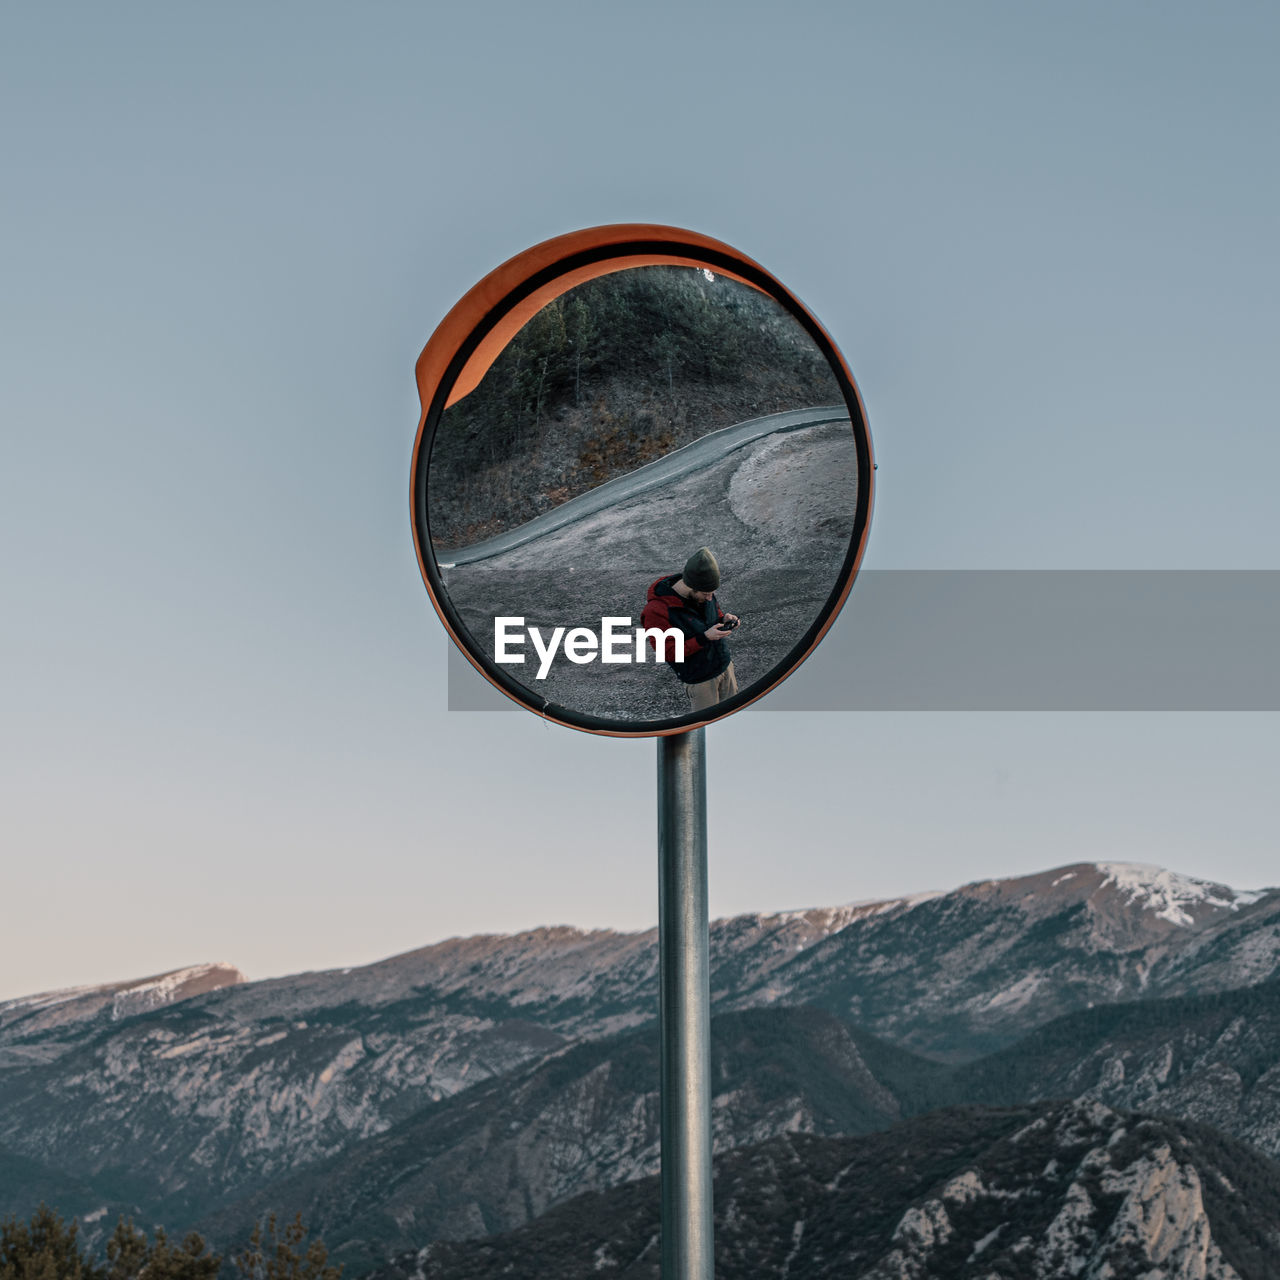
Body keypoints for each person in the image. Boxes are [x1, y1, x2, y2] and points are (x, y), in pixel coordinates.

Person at [641, 546, 740, 710]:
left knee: (734, 718)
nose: (710, 598)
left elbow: (713, 611)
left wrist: (724, 619)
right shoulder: (656, 611)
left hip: (725, 667)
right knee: (708, 727)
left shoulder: (703, 590)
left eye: (712, 593)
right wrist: (704, 638)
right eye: (706, 594)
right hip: (701, 681)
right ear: (691, 586)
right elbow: (667, 651)